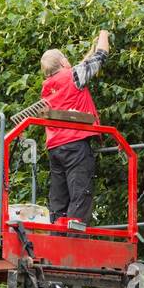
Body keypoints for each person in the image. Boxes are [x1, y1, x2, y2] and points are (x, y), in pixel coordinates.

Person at [13, 28, 110, 227]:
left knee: (59, 198)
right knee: (80, 194)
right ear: (64, 63)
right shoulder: (73, 76)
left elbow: (81, 67)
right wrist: (103, 34)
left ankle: (56, 235)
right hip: (75, 144)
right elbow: (101, 56)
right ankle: (74, 239)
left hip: (55, 149)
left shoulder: (47, 87)